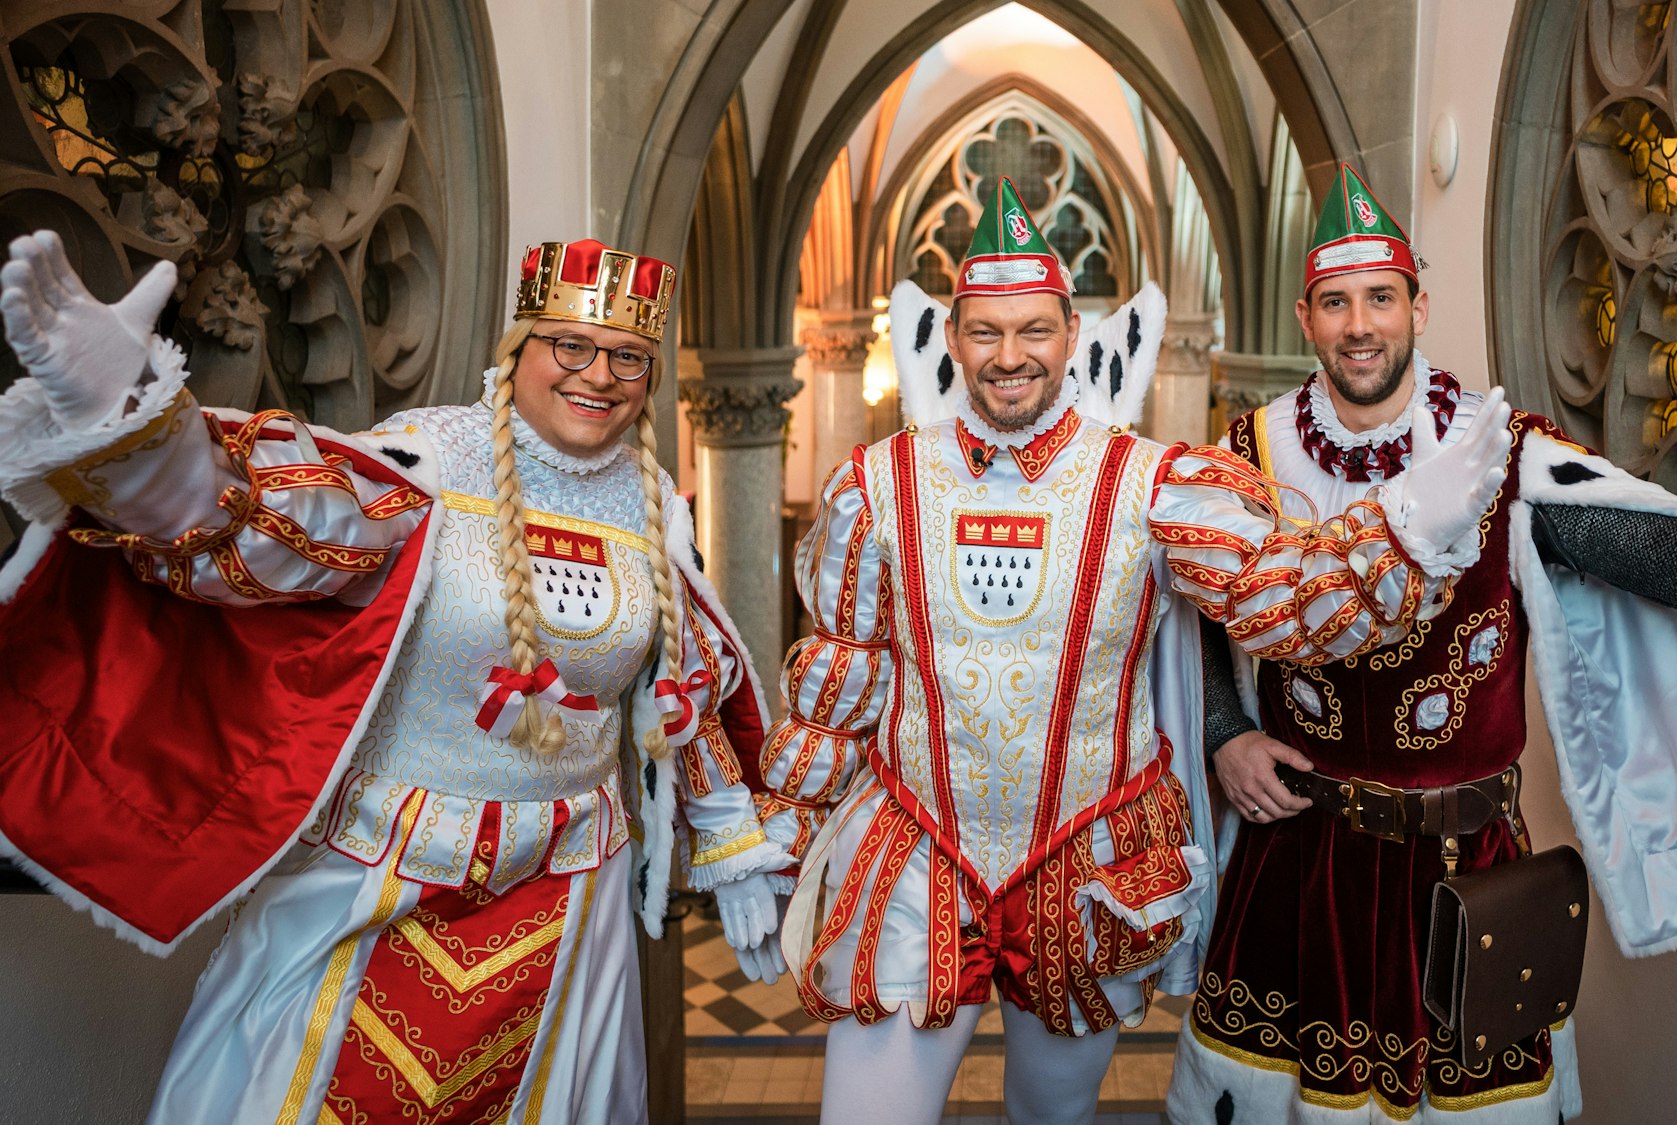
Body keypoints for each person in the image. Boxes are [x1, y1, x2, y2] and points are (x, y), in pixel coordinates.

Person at [1165, 165, 1677, 1123]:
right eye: (1338, 303)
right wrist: (1226, 728)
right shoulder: (1243, 461)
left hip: (1463, 875)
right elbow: (1191, 612)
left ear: (1417, 304)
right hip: (1298, 869)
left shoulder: (1503, 456)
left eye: (1381, 298)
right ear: (1308, 319)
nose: (1361, 325)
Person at [728, 176, 1517, 1125]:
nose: (1010, 356)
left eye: (1034, 330)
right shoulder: (876, 484)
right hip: (914, 851)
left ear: (1071, 329)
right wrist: (772, 843)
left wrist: (1403, 532)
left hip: (1085, 861)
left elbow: (1284, 603)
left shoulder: (1156, 483)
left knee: (1050, 1118)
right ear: (952, 334)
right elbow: (841, 678)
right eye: (986, 330)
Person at [0, 233, 791, 1122]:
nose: (597, 375)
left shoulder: (651, 511)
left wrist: (728, 836)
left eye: (628, 357)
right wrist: (140, 413)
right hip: (377, 881)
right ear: (518, 348)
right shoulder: (431, 459)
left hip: (570, 899)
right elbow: (274, 526)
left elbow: (685, 690)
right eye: (570, 344)